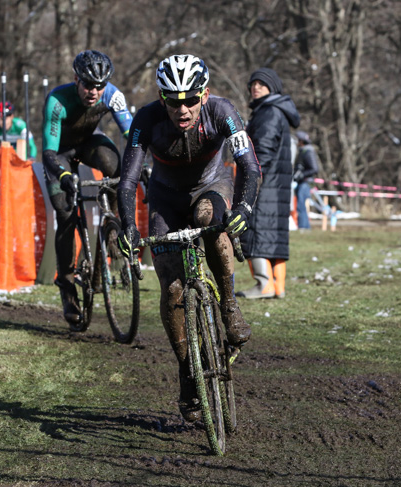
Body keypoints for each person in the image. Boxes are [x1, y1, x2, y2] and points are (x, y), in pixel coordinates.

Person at [116, 54, 260, 422]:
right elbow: (129, 179)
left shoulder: (223, 111)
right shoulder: (147, 119)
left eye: (190, 100)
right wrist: (128, 227)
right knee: (172, 286)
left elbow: (249, 165)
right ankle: (187, 371)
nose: (182, 108)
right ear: (161, 98)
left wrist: (243, 208)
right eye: (173, 101)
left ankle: (228, 303)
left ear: (204, 94)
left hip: (211, 186)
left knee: (209, 219)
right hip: (164, 197)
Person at [41, 50, 133, 326]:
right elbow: (48, 152)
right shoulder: (57, 100)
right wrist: (64, 175)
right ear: (76, 80)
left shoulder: (112, 96)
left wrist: (145, 164)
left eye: (99, 86)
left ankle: (112, 229)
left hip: (89, 142)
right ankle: (67, 287)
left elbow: (133, 135)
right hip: (58, 154)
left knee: (117, 168)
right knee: (66, 214)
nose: (94, 92)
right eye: (88, 85)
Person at [236, 68, 300, 299]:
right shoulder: (276, 110)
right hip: (277, 184)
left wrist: (252, 176)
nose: (256, 88)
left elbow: (262, 149)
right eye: (253, 84)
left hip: (265, 183)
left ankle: (264, 285)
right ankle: (278, 286)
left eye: (261, 84)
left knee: (257, 230)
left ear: (272, 88)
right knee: (274, 234)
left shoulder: (269, 112)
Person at [294, 130, 319, 231]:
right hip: (301, 182)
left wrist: (301, 175)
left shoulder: (308, 151)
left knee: (301, 205)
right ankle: (303, 226)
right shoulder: (303, 151)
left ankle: (304, 227)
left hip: (305, 182)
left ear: (301, 141)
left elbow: (314, 169)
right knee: (300, 205)